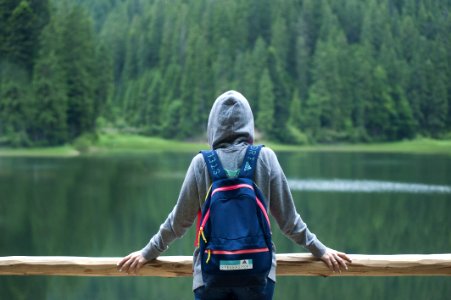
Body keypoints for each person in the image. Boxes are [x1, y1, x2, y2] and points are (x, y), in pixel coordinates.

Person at [118, 90, 352, 299]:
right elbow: (289, 222)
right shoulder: (265, 157)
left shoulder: (201, 163)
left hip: (211, 276)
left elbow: (178, 223)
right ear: (249, 123)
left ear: (213, 126)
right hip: (257, 275)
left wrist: (147, 253)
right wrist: (321, 250)